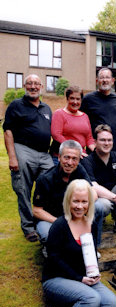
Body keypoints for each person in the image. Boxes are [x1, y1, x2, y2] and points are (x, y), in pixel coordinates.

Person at [40, 179, 116, 307]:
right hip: (56, 280)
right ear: (68, 201)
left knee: (110, 303)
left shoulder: (89, 223)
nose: (80, 206)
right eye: (76, 201)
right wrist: (79, 278)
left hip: (81, 279)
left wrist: (93, 273)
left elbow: (89, 254)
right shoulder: (59, 225)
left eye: (85, 202)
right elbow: (54, 259)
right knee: (92, 299)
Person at [3, 74, 54, 242]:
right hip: (23, 149)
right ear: (25, 86)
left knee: (50, 183)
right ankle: (28, 227)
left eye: (36, 84)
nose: (33, 86)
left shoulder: (46, 108)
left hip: (43, 153)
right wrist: (12, 157)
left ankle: (43, 219)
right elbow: (8, 131)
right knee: (23, 188)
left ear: (41, 87)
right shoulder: (16, 105)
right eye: (30, 83)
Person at [33, 140, 103, 252]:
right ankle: (51, 250)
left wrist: (81, 210)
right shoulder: (45, 179)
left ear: (79, 159)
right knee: (47, 233)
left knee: (99, 206)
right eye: (66, 157)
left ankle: (93, 247)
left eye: (74, 158)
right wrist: (62, 223)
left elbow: (93, 193)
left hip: (75, 213)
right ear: (59, 157)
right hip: (52, 218)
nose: (70, 162)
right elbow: (37, 211)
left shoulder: (79, 169)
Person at [50, 86, 95, 164]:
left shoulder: (85, 116)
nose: (75, 102)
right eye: (72, 98)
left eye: (78, 99)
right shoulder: (59, 114)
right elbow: (56, 135)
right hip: (63, 158)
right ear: (67, 99)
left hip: (81, 157)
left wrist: (97, 151)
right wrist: (74, 150)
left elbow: (89, 138)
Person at [80, 68, 116, 151]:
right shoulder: (88, 99)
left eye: (107, 77)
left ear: (112, 81)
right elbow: (81, 122)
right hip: (95, 149)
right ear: (97, 80)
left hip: (115, 148)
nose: (105, 80)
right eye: (102, 77)